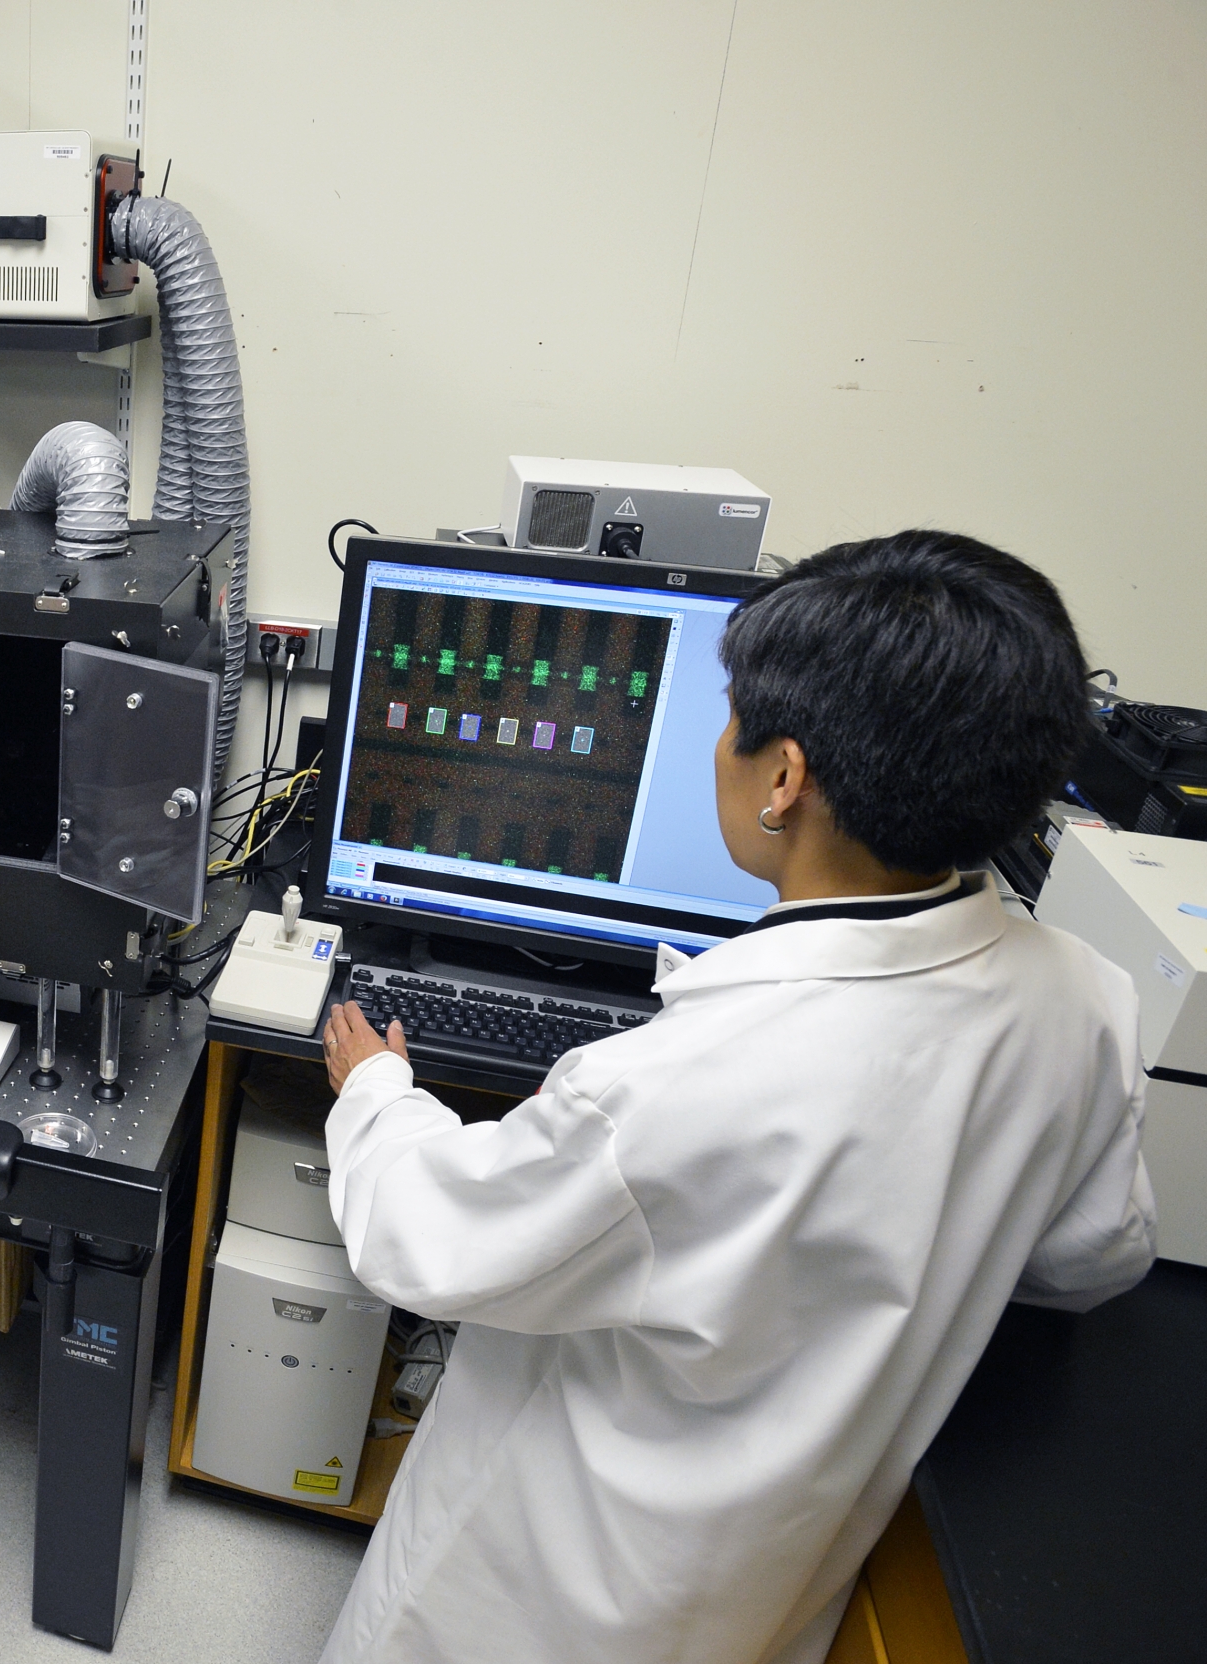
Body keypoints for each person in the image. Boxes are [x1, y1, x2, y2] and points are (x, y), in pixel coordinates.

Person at [313, 531, 1155, 1664]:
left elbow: (432, 1242)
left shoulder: (673, 1086)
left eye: (727, 718)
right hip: (764, 1588)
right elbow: (1093, 1257)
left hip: (549, 1595)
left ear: (784, 778)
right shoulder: (1085, 1000)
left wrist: (376, 1093)